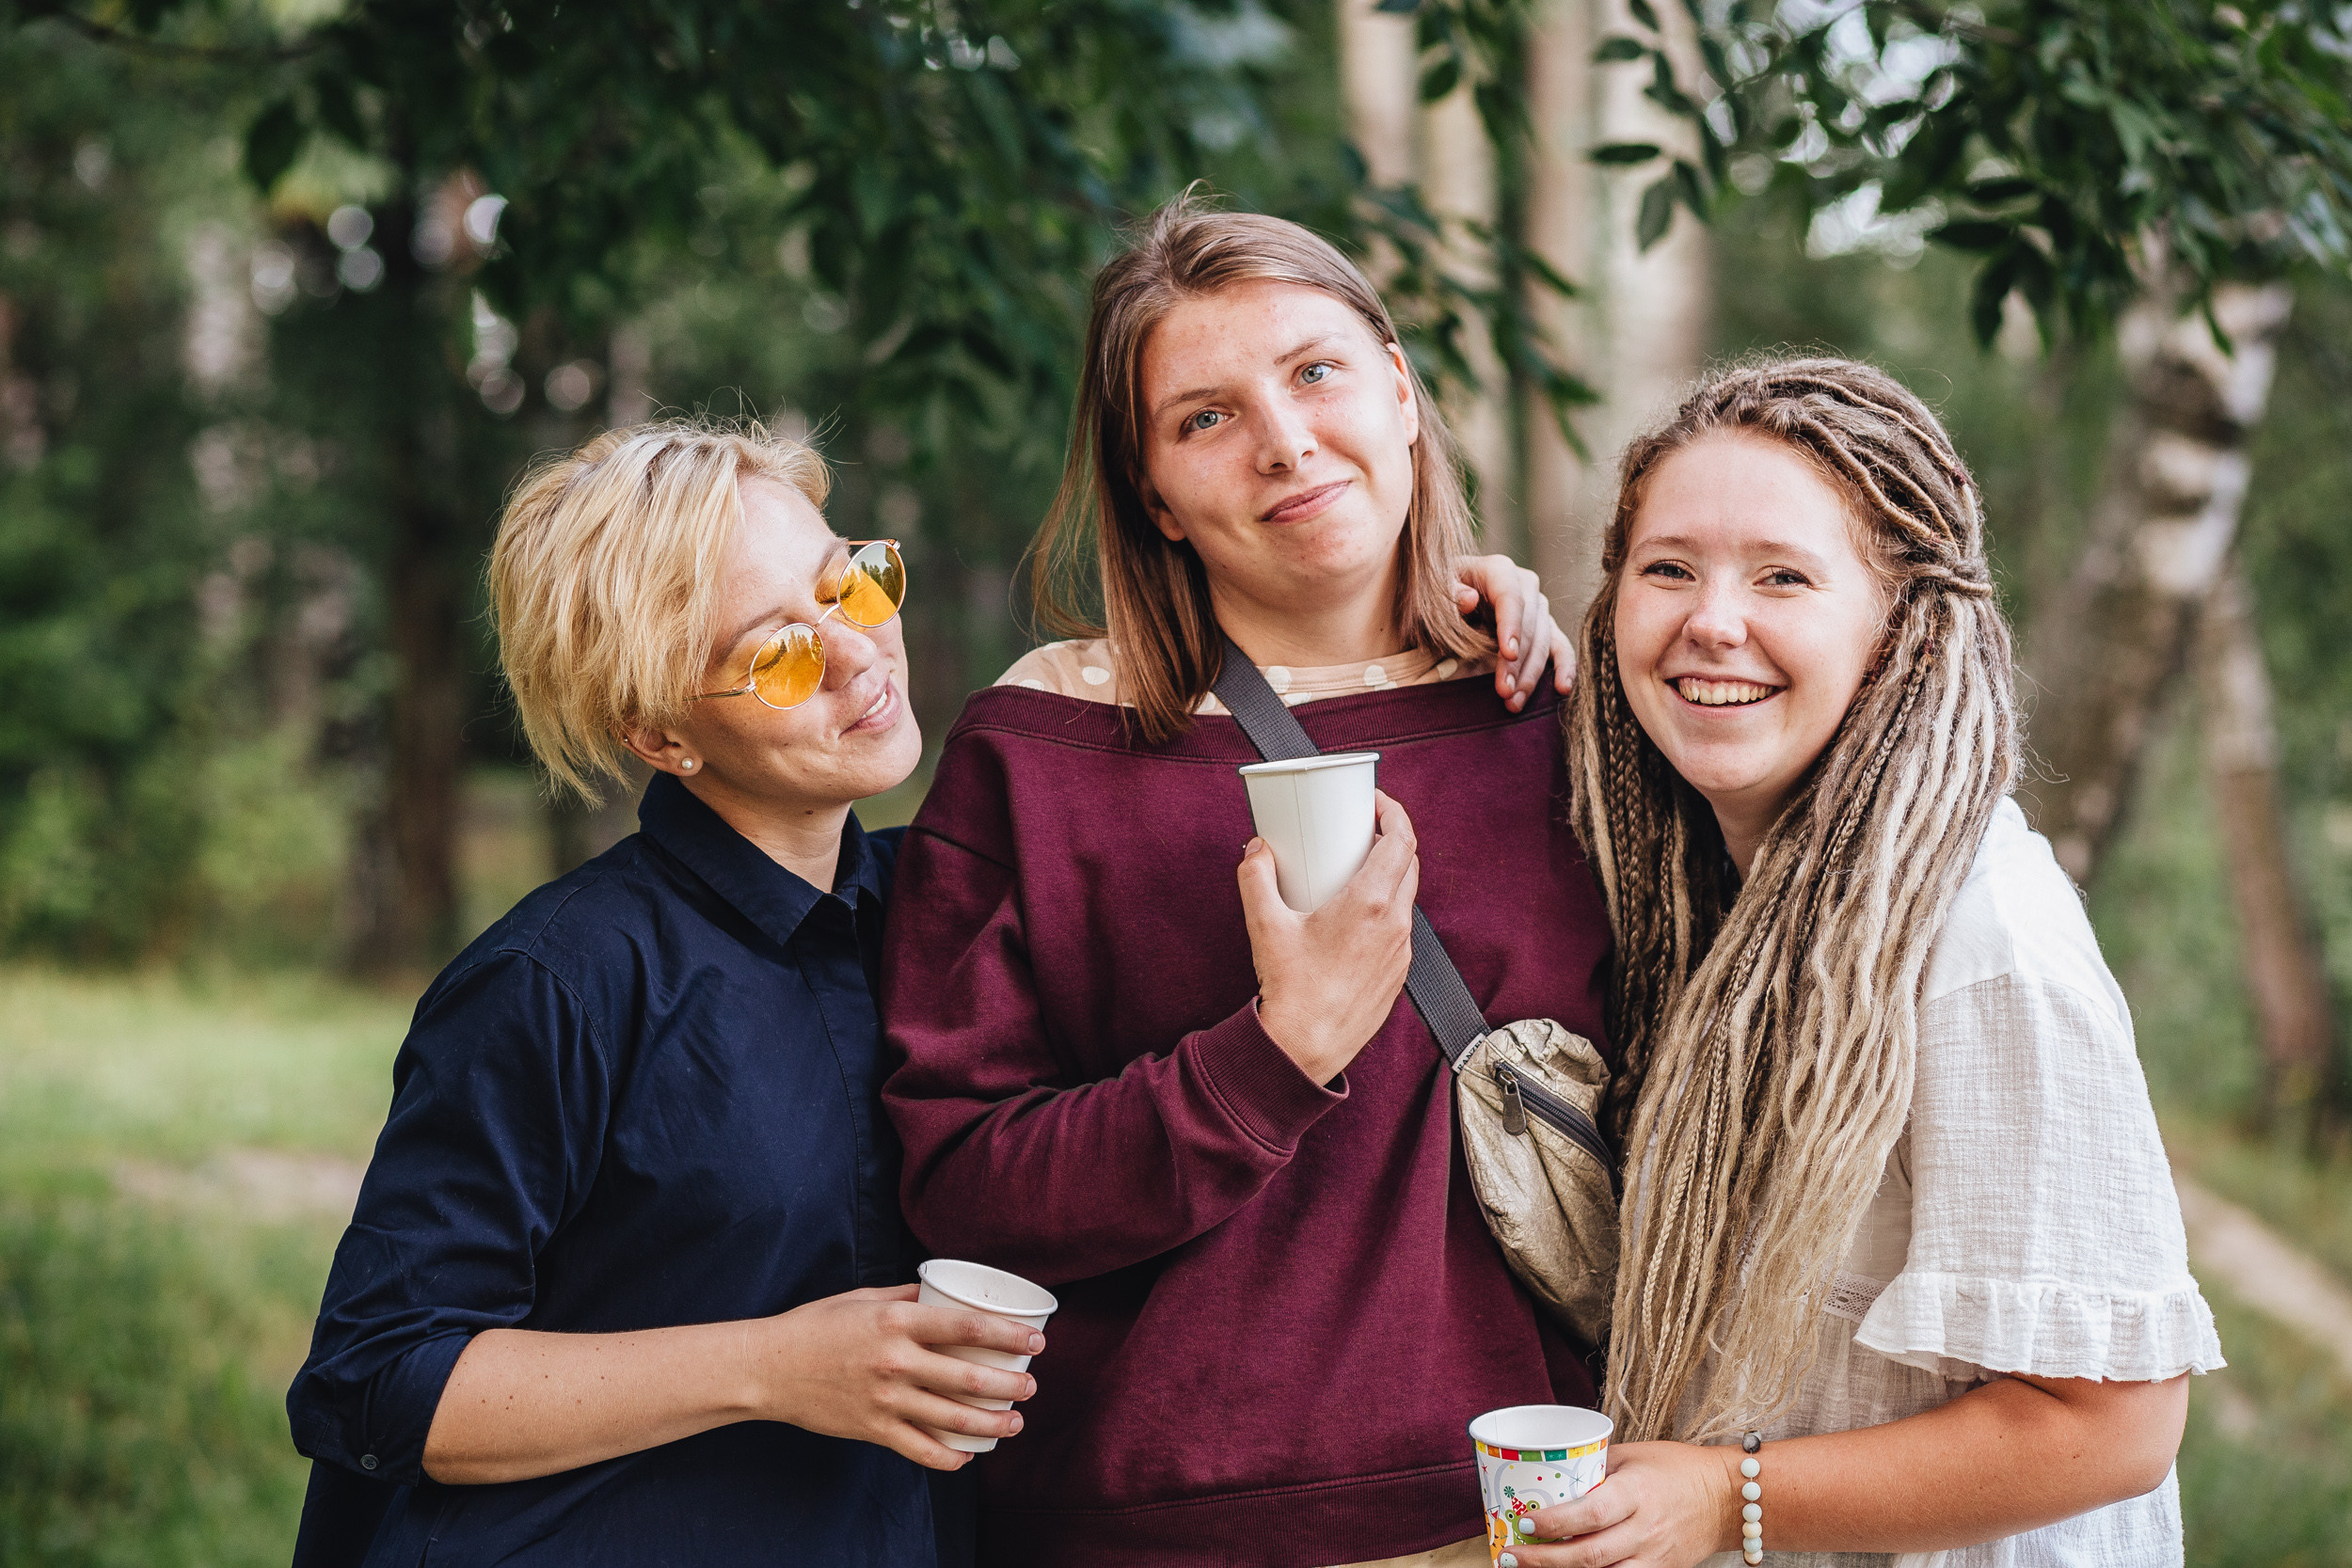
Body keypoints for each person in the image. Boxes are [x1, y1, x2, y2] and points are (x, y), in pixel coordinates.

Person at [282, 415, 1564, 1568]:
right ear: (662, 736)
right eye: (777, 656)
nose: (857, 654)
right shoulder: (556, 980)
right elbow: (379, 1377)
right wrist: (775, 1364)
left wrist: (1434, 624)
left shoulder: (939, 901)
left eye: (850, 580)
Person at [880, 195, 1610, 1568]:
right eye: (1203, 416)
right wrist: (1273, 1057)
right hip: (1156, 1525)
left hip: (1534, 1507)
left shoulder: (1564, 722)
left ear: (1400, 390)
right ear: (1151, 488)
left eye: (1317, 371)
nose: (1283, 440)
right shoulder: (1044, 749)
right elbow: (963, 1183)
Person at [1511, 358, 2223, 1568]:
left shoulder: (1982, 941)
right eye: (1667, 568)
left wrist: (1725, 1497)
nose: (1711, 620)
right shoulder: (1709, 893)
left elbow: (2111, 1426)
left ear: (1898, 623)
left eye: (1783, 575)